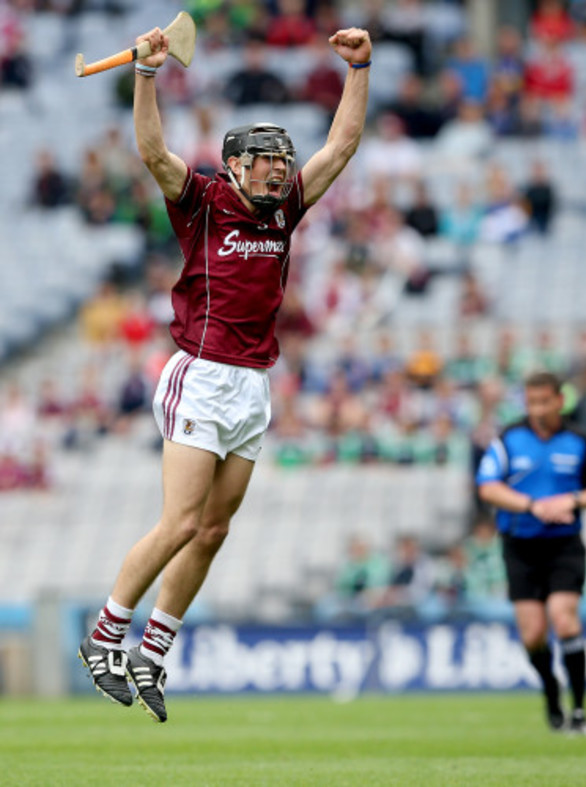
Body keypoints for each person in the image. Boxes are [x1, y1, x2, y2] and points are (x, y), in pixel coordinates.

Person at [78, 23, 373, 723]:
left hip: (251, 384)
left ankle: (153, 648)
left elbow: (343, 146)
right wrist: (147, 75)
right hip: (201, 375)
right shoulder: (203, 202)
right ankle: (104, 634)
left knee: (212, 530)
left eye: (283, 161)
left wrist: (359, 70)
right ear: (236, 165)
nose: (280, 170)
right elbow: (152, 149)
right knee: (179, 522)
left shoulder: (285, 213)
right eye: (267, 161)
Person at [476, 371, 586, 735]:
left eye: (543, 401)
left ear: (559, 400)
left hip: (564, 544)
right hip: (520, 545)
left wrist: (572, 499)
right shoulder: (508, 440)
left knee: (564, 620)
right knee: (533, 634)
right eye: (530, 401)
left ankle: (580, 710)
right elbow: (487, 487)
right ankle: (551, 691)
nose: (536, 409)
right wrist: (532, 505)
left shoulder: (580, 442)